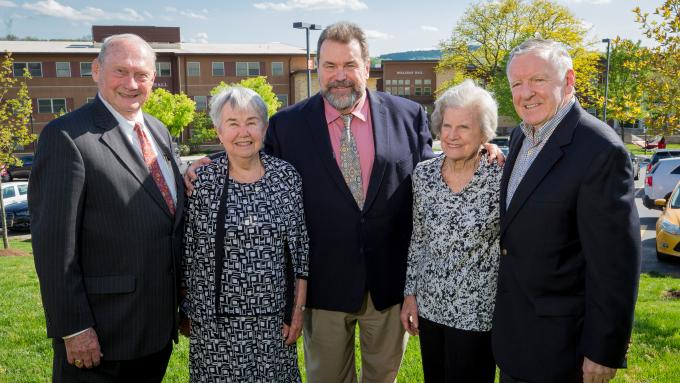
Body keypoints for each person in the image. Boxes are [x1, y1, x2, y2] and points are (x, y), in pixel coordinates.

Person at [184, 21, 503, 382]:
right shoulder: (287, 125)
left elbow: (437, 172)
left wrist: (483, 147)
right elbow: (251, 155)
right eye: (329, 66)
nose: (340, 76)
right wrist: (210, 160)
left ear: (367, 67)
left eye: (349, 65)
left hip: (387, 284)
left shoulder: (407, 115)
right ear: (316, 68)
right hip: (323, 285)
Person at [29, 33, 184, 382]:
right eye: (121, 71)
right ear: (96, 70)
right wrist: (74, 327)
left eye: (142, 75)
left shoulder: (158, 131)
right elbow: (55, 246)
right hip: (101, 335)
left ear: (153, 79)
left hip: (155, 331)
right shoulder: (67, 136)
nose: (132, 84)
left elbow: (163, 206)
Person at [493, 38, 641, 383]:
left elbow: (615, 264)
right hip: (517, 336)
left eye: (538, 80)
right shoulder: (520, 137)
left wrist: (604, 349)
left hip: (564, 348)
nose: (525, 92)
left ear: (569, 81)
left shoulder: (600, 150)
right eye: (517, 83)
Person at [181, 86, 309, 382]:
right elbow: (188, 252)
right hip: (214, 324)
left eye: (252, 122)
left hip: (272, 321)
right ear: (218, 130)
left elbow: (300, 251)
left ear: (264, 127)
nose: (243, 132)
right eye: (233, 123)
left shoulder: (286, 178)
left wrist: (297, 310)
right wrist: (185, 310)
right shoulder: (202, 182)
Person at [400, 79, 500, 383]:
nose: (452, 136)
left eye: (464, 128)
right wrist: (410, 295)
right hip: (431, 306)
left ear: (484, 133)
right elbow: (418, 238)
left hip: (478, 310)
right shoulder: (424, 174)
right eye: (446, 126)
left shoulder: (501, 177)